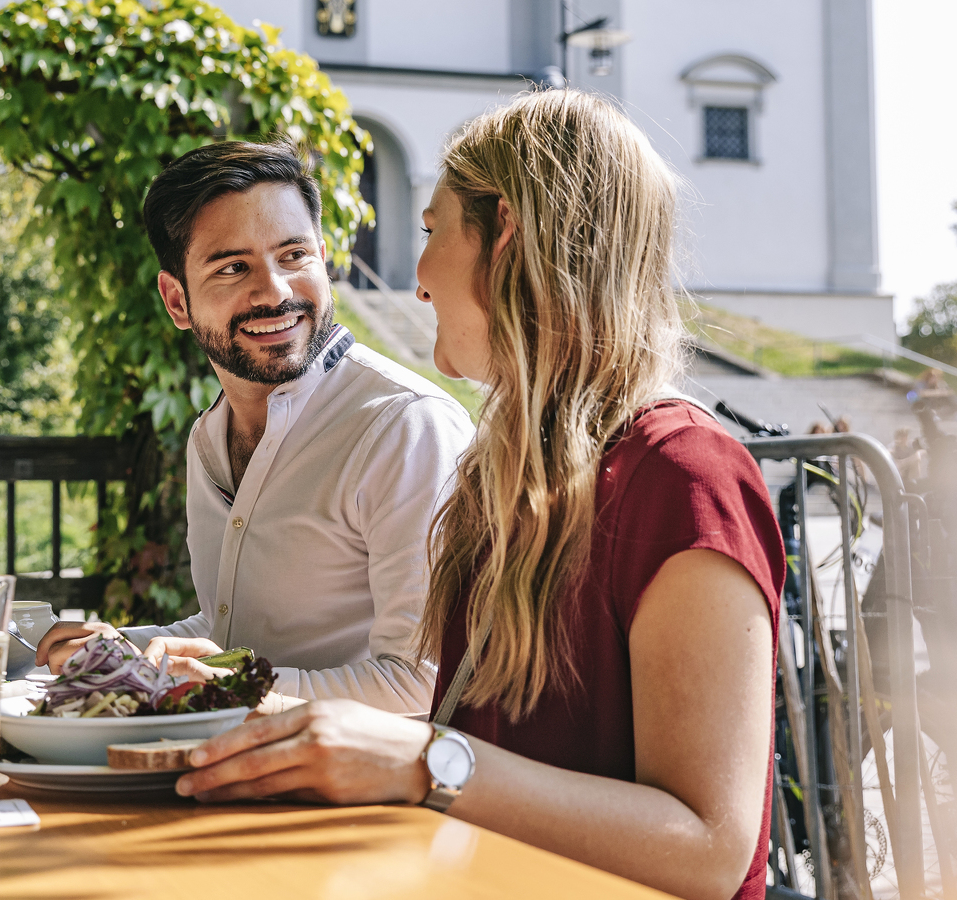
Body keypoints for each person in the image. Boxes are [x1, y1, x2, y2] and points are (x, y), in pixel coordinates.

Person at [173, 91, 786, 900]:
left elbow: (709, 850)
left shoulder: (684, 476)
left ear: (506, 235)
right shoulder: (503, 480)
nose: (417, 279)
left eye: (431, 232)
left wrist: (425, 759)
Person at [36, 140, 474, 715]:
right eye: (233, 267)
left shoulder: (404, 425)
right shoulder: (207, 438)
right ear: (177, 301)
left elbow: (421, 683)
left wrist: (222, 683)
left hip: (351, 798)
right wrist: (125, 648)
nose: (275, 292)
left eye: (294, 256)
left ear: (323, 257)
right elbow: (233, 629)